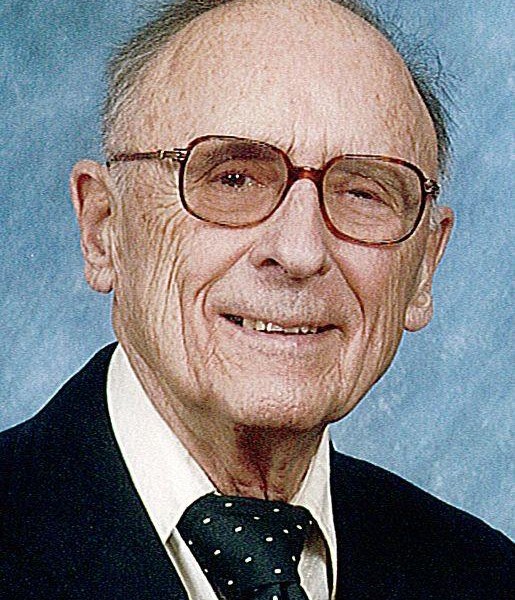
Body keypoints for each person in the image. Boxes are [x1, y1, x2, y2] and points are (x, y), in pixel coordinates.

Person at [1, 0, 512, 598]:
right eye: (232, 178)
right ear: (103, 228)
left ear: (424, 267)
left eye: (363, 193)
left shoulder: (485, 575)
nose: (299, 252)